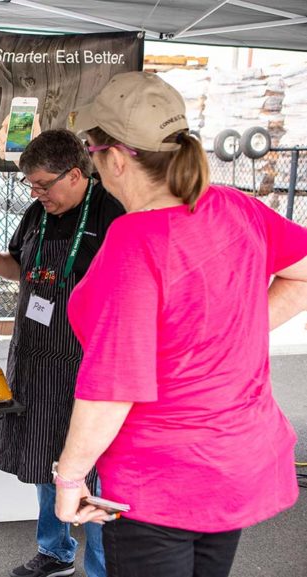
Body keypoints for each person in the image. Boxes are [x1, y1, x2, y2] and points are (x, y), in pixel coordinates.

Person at [54, 71, 307, 577]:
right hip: (233, 465)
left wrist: (69, 481)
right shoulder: (237, 207)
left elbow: (111, 387)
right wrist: (233, 332)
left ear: (117, 157)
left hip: (160, 479)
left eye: (92, 151)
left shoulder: (134, 242)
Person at [0, 128, 124, 577]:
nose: (35, 193)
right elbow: (20, 268)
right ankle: (55, 550)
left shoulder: (112, 215)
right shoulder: (37, 213)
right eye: (29, 185)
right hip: (35, 358)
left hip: (85, 362)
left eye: (42, 184)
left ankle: (102, 566)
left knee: (91, 468)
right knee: (42, 456)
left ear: (75, 175)